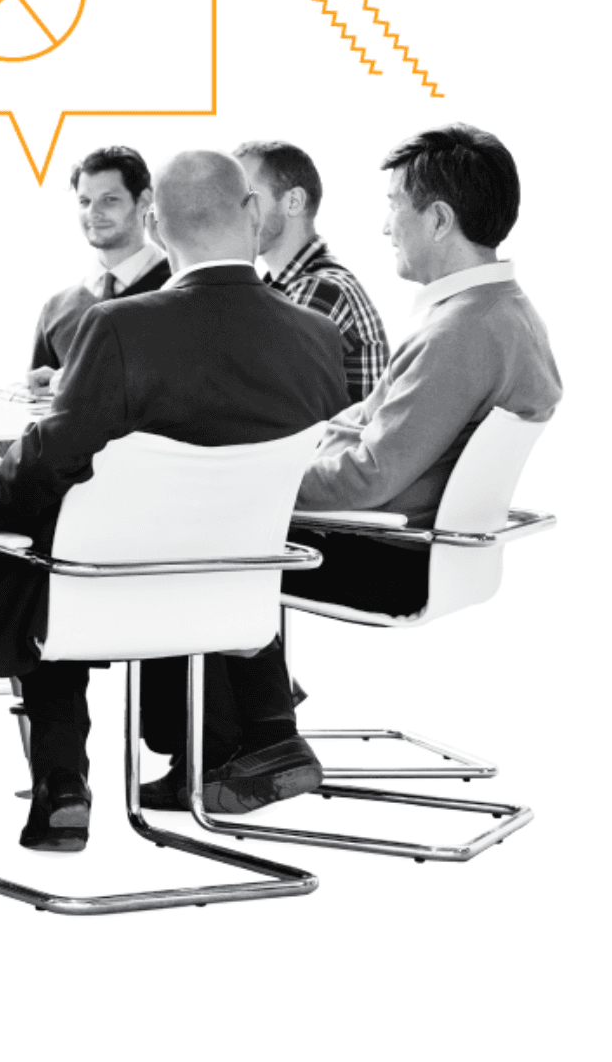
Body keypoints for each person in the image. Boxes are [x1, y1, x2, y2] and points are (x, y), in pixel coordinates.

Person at [0, 151, 345, 851]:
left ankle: (58, 784)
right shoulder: (318, 338)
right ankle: (256, 730)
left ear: (155, 224)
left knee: (20, 538)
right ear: (253, 213)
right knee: (50, 531)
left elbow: (48, 461)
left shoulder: (118, 326)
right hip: (234, 586)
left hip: (104, 584)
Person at [143, 126, 566, 814]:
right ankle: (250, 732)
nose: (384, 225)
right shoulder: (496, 311)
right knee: (207, 520)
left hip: (389, 551)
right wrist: (285, 455)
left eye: (394, 206)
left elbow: (368, 476)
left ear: (438, 219)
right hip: (413, 538)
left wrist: (247, 480)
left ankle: (249, 744)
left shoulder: (461, 331)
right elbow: (363, 421)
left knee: (182, 538)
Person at [238, 140, 390, 401]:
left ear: (293, 202)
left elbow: (264, 401)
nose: (234, 213)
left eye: (247, 198)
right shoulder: (280, 288)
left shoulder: (319, 290)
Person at [27, 146, 170, 398]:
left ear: (144, 200)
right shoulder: (56, 309)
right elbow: (41, 410)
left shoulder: (179, 289)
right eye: (85, 202)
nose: (93, 213)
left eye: (109, 199)